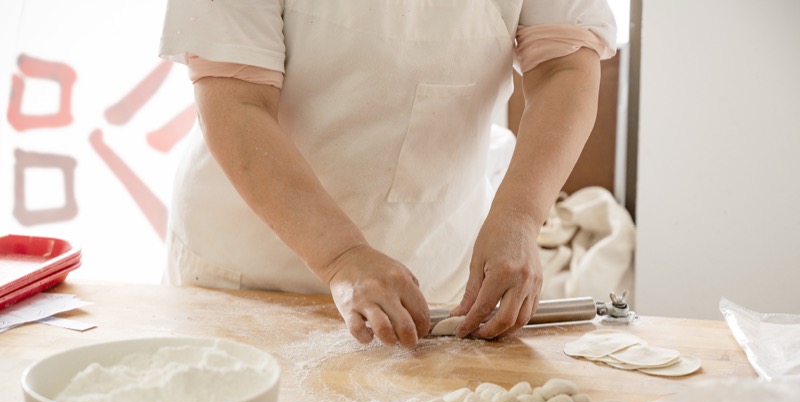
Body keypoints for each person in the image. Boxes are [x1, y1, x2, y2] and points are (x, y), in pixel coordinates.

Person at [159, 1, 616, 348]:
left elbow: (565, 66)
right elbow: (237, 102)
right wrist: (341, 256)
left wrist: (520, 214)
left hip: (430, 271)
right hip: (251, 270)